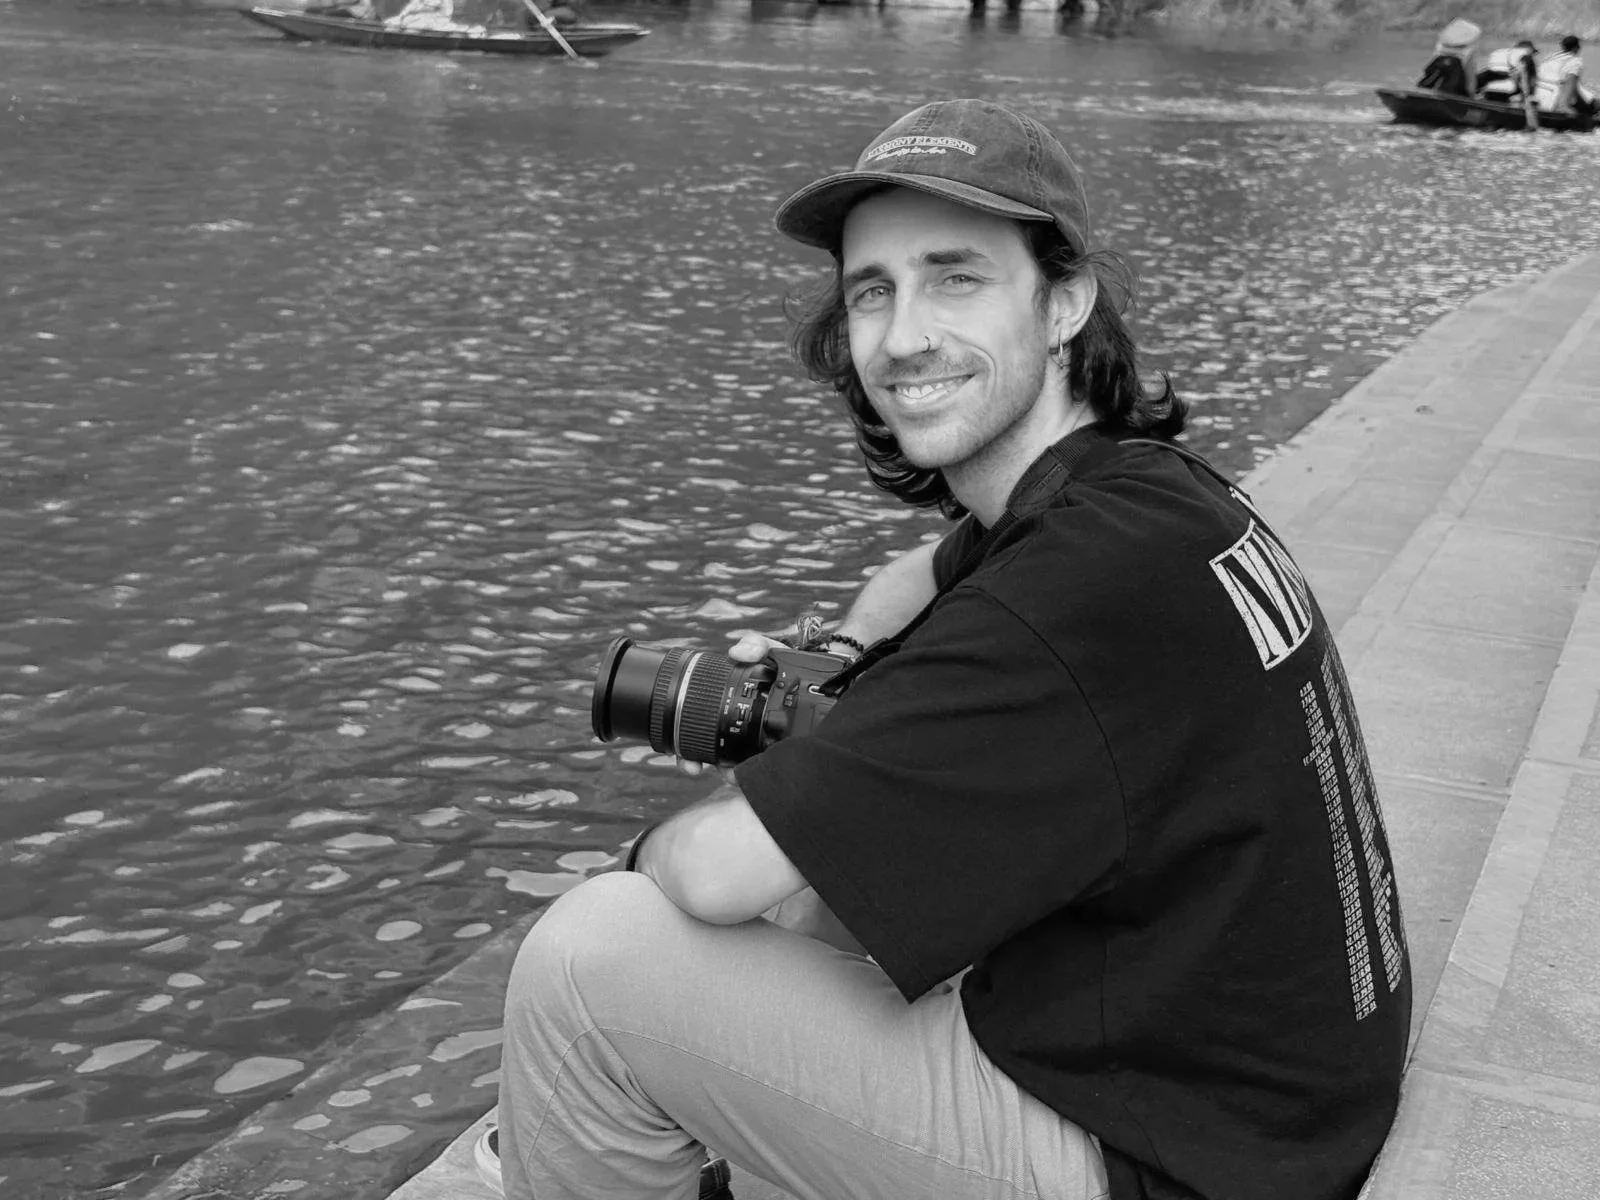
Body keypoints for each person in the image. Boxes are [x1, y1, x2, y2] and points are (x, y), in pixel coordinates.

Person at [482, 98, 1412, 1200]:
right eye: (872, 290)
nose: (903, 334)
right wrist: (837, 660)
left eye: (955, 276)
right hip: (1266, 1094)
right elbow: (918, 577)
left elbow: (714, 875)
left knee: (593, 957)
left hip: (1171, 1161)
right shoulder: (1143, 494)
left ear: (1064, 301)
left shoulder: (1069, 595)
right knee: (833, 880)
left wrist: (713, 812)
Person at [1535, 34, 1597, 116]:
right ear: (1576, 48)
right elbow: (1571, 84)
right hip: (1553, 103)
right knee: (1594, 104)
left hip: (1537, 99)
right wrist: (1565, 106)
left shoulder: (1548, 58)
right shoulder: (1574, 61)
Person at [1417, 16, 1481, 95]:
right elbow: (1470, 86)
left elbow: (1427, 75)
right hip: (1454, 96)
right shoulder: (1468, 54)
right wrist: (1473, 97)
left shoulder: (1440, 51)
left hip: (1432, 92)